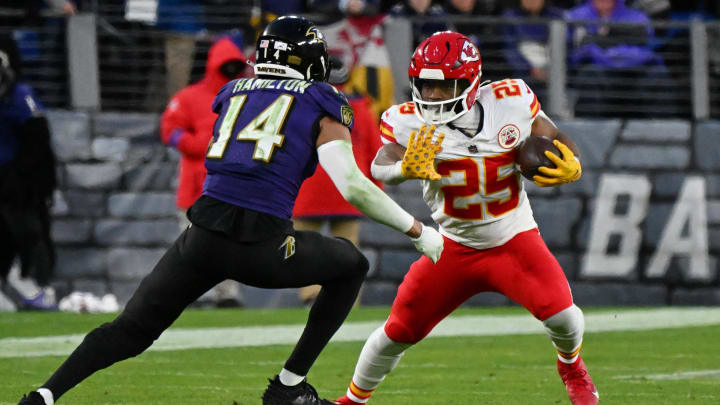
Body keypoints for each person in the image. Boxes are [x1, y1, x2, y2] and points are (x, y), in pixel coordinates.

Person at [16, 16, 443, 405]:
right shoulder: (319, 98)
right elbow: (351, 186)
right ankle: (290, 387)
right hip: (262, 244)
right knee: (350, 264)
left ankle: (44, 395)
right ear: (307, 62)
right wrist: (419, 232)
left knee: (130, 330)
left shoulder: (232, 91)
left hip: (200, 238)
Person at [333, 31, 598, 405]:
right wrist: (403, 170)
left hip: (514, 239)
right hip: (453, 246)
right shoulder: (407, 121)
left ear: (472, 82)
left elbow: (554, 136)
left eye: (444, 87)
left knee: (565, 318)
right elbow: (381, 165)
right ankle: (352, 400)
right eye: (425, 86)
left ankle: (571, 365)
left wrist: (574, 163)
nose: (433, 96)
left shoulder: (512, 101)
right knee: (397, 333)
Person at [160, 33, 249, 308]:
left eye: (235, 66)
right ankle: (191, 292)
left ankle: (227, 294)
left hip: (229, 182)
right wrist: (192, 145)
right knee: (191, 238)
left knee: (229, 240)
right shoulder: (189, 97)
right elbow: (169, 130)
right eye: (226, 66)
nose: (230, 72)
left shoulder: (245, 97)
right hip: (194, 182)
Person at [292, 58, 383, 306]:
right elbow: (377, 151)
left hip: (307, 187)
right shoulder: (360, 108)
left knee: (304, 246)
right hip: (349, 187)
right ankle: (348, 298)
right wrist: (377, 190)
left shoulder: (301, 106)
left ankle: (311, 294)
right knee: (348, 248)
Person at [0, 34, 58, 311]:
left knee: (26, 233)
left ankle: (30, 284)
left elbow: (38, 141)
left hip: (18, 179)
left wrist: (37, 183)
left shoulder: (19, 97)